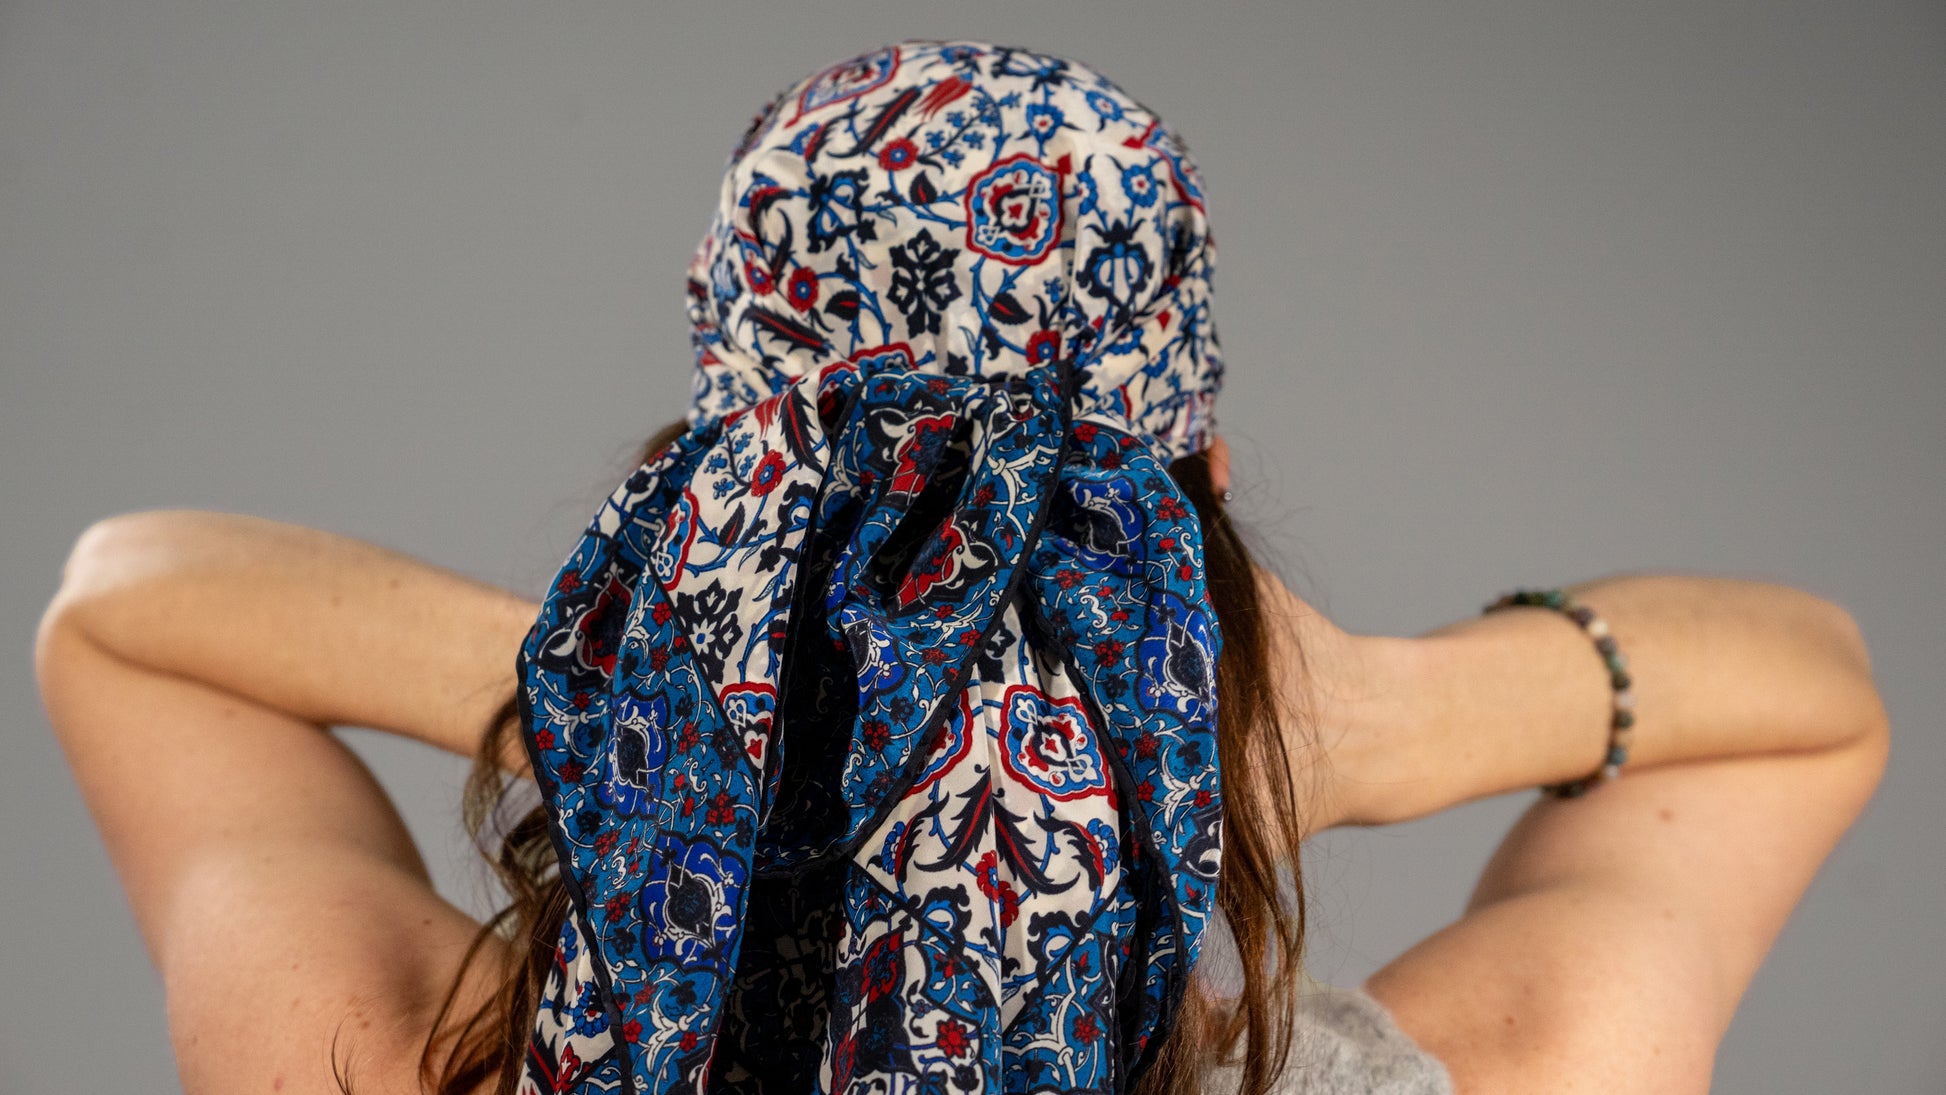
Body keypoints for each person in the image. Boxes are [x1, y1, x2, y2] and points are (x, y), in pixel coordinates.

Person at [32, 40, 1888, 1095]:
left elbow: (126, 608)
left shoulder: (375, 1065)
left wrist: (668, 703)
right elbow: (1807, 703)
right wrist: (1388, 725)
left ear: (702, 504)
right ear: (1205, 492)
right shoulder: (1503, 1075)